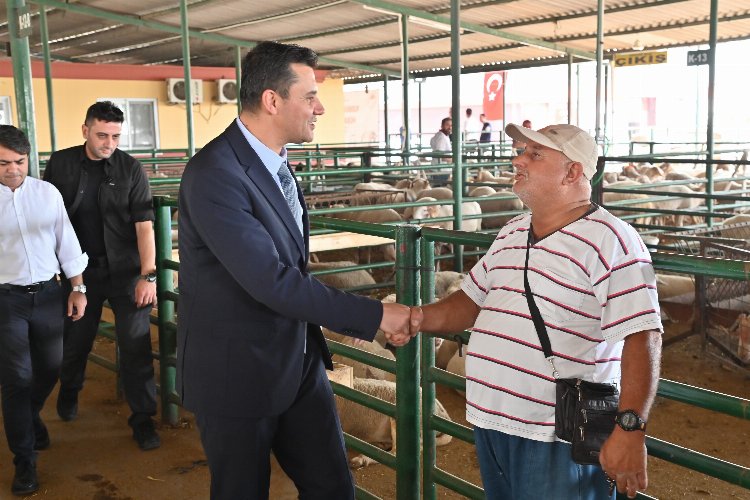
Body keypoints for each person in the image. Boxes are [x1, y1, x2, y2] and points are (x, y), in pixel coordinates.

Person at [177, 41, 412, 500]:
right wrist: (377, 316)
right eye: (309, 96)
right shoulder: (215, 174)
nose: (320, 107)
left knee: (332, 487)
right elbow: (270, 280)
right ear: (272, 100)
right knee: (242, 491)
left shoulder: (276, 164)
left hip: (297, 358)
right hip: (237, 372)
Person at [410, 123, 663, 500]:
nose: (518, 160)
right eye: (521, 151)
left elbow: (643, 333)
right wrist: (415, 318)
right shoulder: (513, 230)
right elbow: (470, 301)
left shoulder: (612, 240)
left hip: (555, 433)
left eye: (534, 154)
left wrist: (630, 429)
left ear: (573, 172)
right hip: (492, 420)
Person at [43, 101, 161, 451]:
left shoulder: (130, 169)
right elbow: (51, 220)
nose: (109, 142)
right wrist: (57, 272)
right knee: (76, 341)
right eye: (102, 135)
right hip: (79, 273)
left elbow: (144, 226)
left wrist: (148, 276)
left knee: (136, 345)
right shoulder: (61, 163)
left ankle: (142, 419)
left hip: (126, 273)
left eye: (115, 136)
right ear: (85, 130)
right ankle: (70, 389)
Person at [0, 125, 88, 495]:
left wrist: (78, 287)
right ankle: (25, 462)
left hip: (50, 294)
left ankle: (29, 415)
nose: (13, 169)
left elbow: (65, 239)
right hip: (6, 300)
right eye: (3, 163)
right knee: (17, 378)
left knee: (51, 367)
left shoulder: (46, 193)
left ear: (28, 157)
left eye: (19, 161)